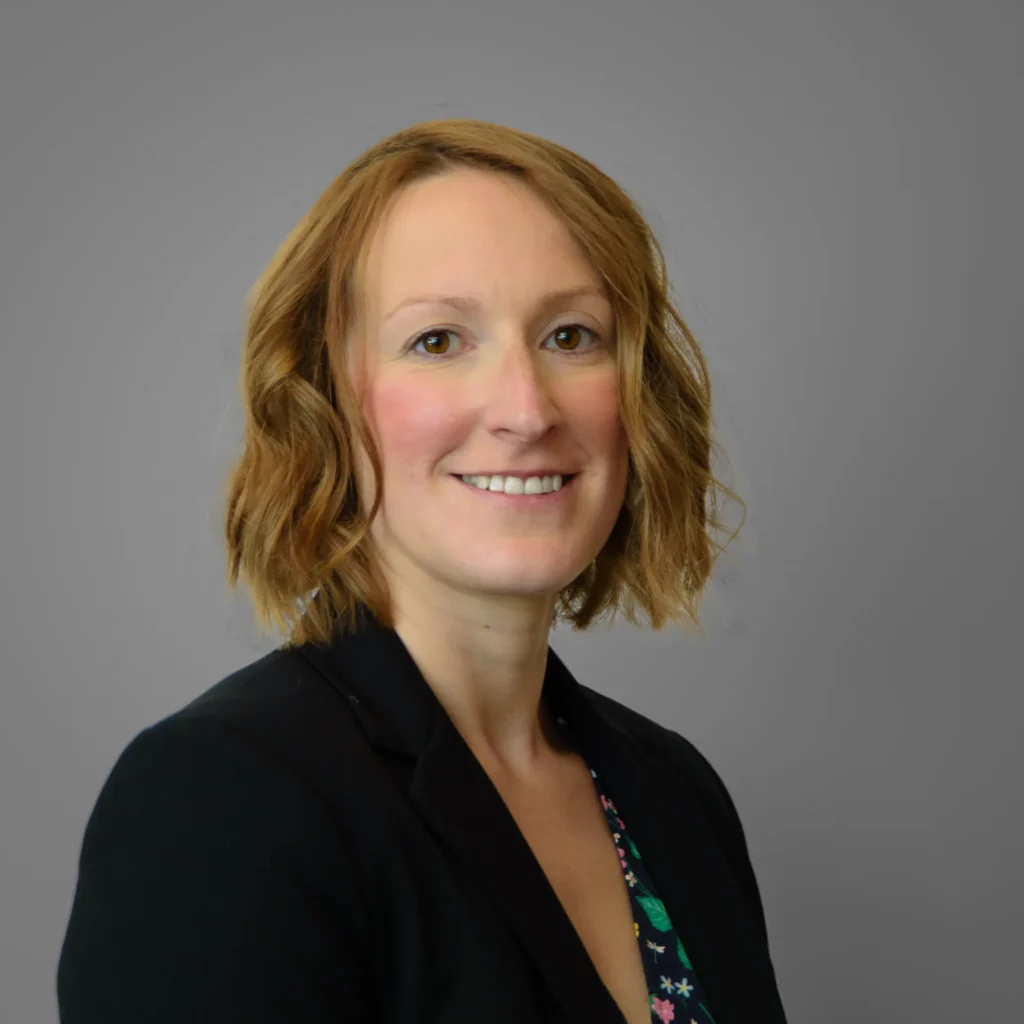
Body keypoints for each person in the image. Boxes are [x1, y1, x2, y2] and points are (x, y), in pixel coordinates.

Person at [56, 119, 788, 1023]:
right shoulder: (219, 802)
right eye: (438, 341)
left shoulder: (675, 793)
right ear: (322, 399)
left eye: (571, 336)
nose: (525, 409)